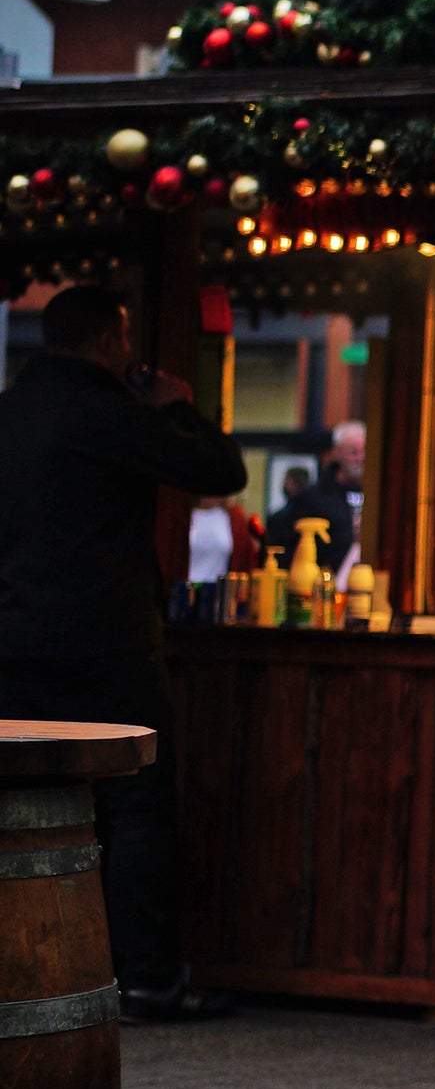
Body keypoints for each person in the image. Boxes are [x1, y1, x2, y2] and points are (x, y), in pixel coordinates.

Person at [0, 285, 252, 1020]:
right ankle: (146, 978)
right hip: (108, 646)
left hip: (12, 648)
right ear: (111, 343)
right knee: (135, 805)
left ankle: (26, 972)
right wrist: (173, 403)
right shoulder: (113, 417)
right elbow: (221, 472)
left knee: (16, 809)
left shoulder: (8, 417)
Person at [273, 421, 362, 576]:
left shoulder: (384, 497)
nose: (361, 458)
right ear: (337, 452)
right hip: (323, 586)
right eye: (353, 452)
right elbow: (283, 538)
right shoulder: (314, 497)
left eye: (365, 450)